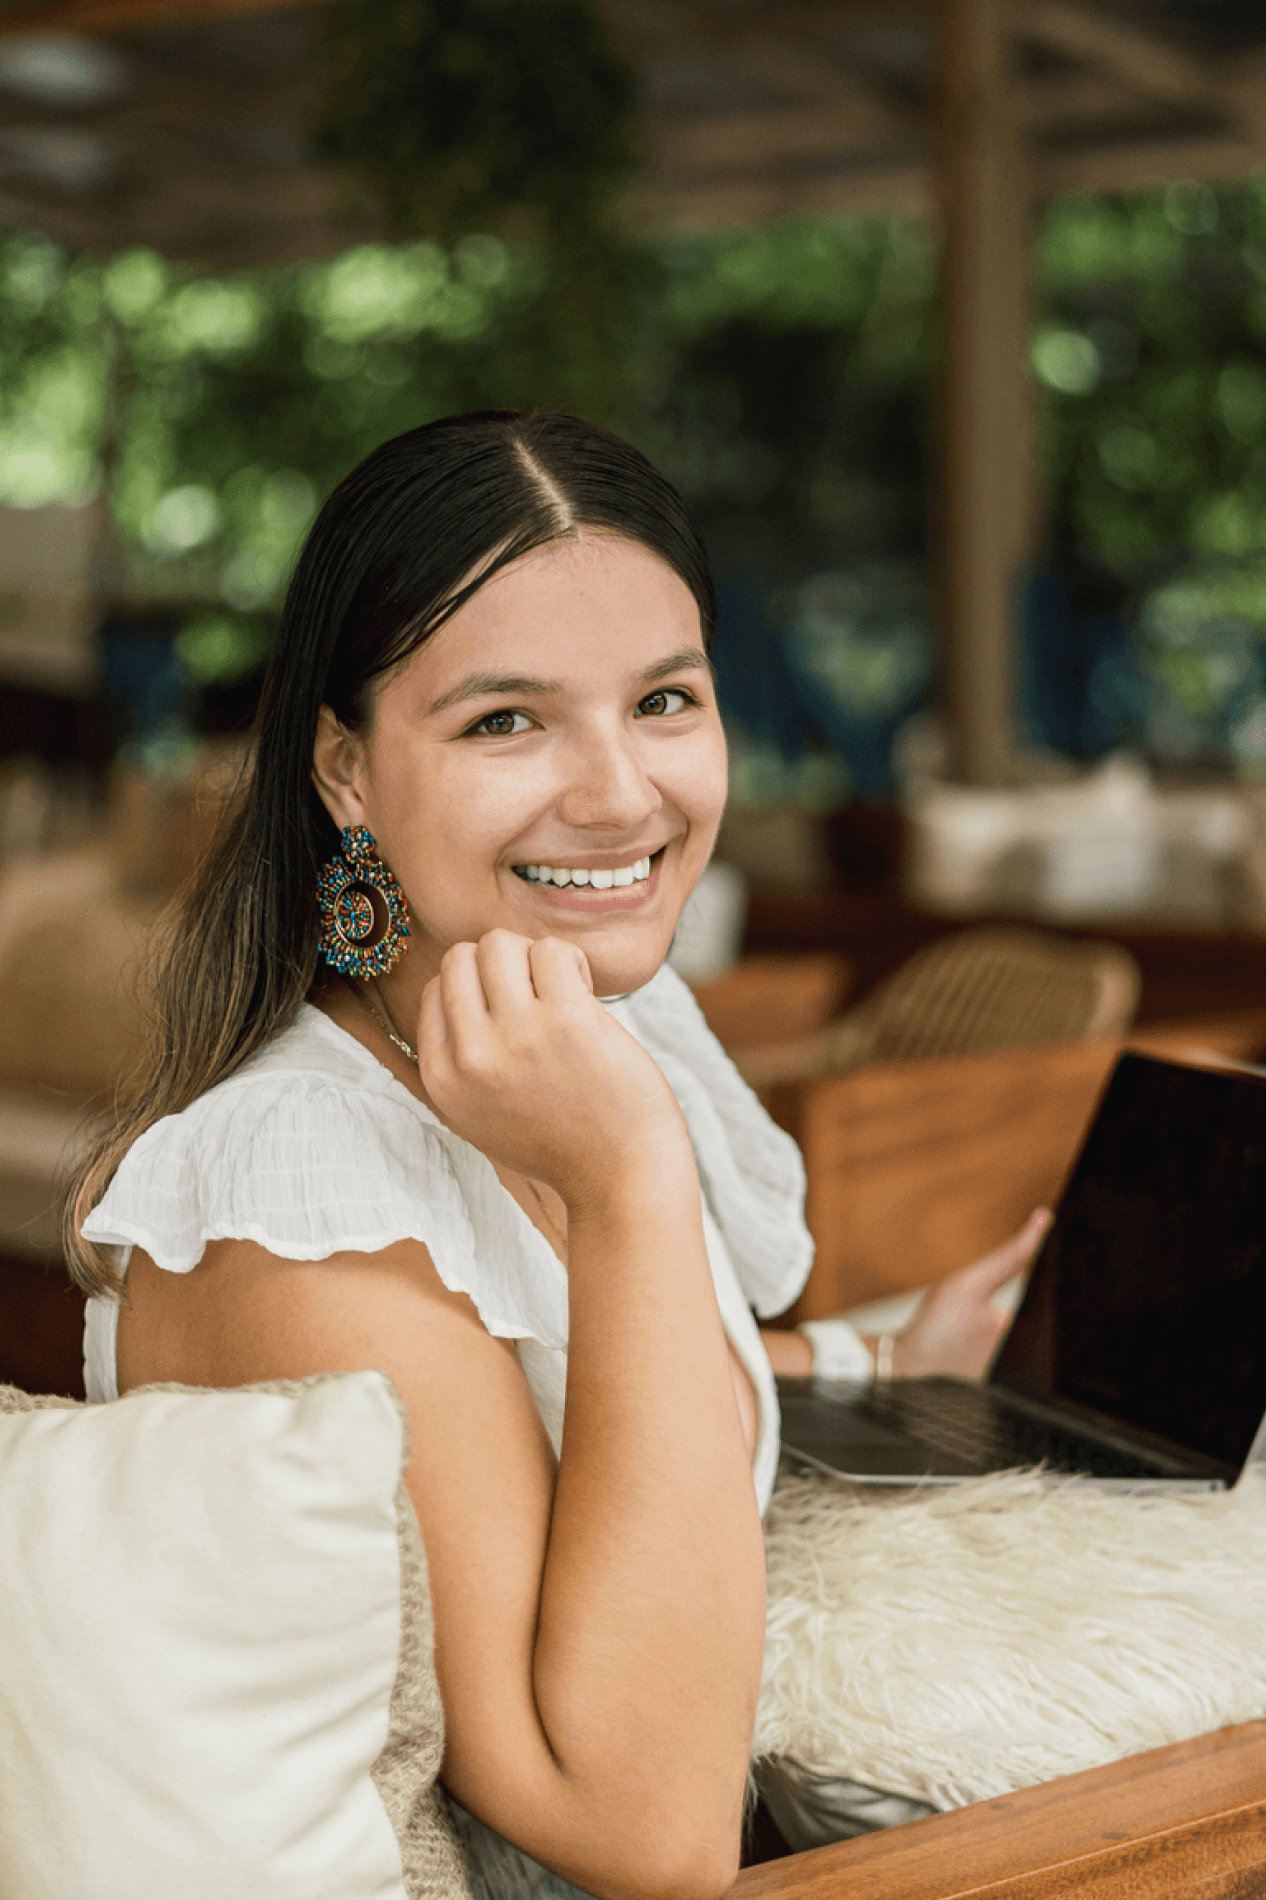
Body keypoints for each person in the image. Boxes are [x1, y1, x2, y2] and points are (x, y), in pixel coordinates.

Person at [65, 411, 1048, 1900]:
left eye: (664, 699)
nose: (619, 795)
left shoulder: (583, 1020)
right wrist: (629, 1181)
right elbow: (646, 1838)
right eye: (504, 721)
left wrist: (882, 1359)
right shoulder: (298, 1207)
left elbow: (544, 1391)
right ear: (346, 771)